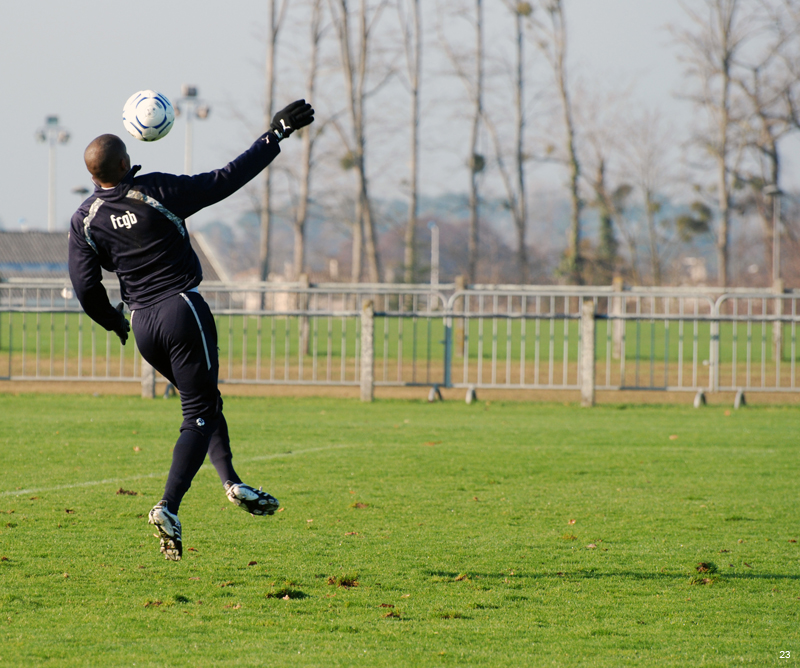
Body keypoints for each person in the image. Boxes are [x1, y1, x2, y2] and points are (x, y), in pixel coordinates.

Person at [68, 100, 314, 561]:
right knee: (197, 413)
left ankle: (232, 481)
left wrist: (113, 321)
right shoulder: (156, 190)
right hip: (181, 309)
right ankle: (168, 506)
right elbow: (226, 179)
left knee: (203, 400)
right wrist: (274, 134)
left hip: (142, 324)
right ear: (126, 164)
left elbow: (84, 288)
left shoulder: (84, 218)